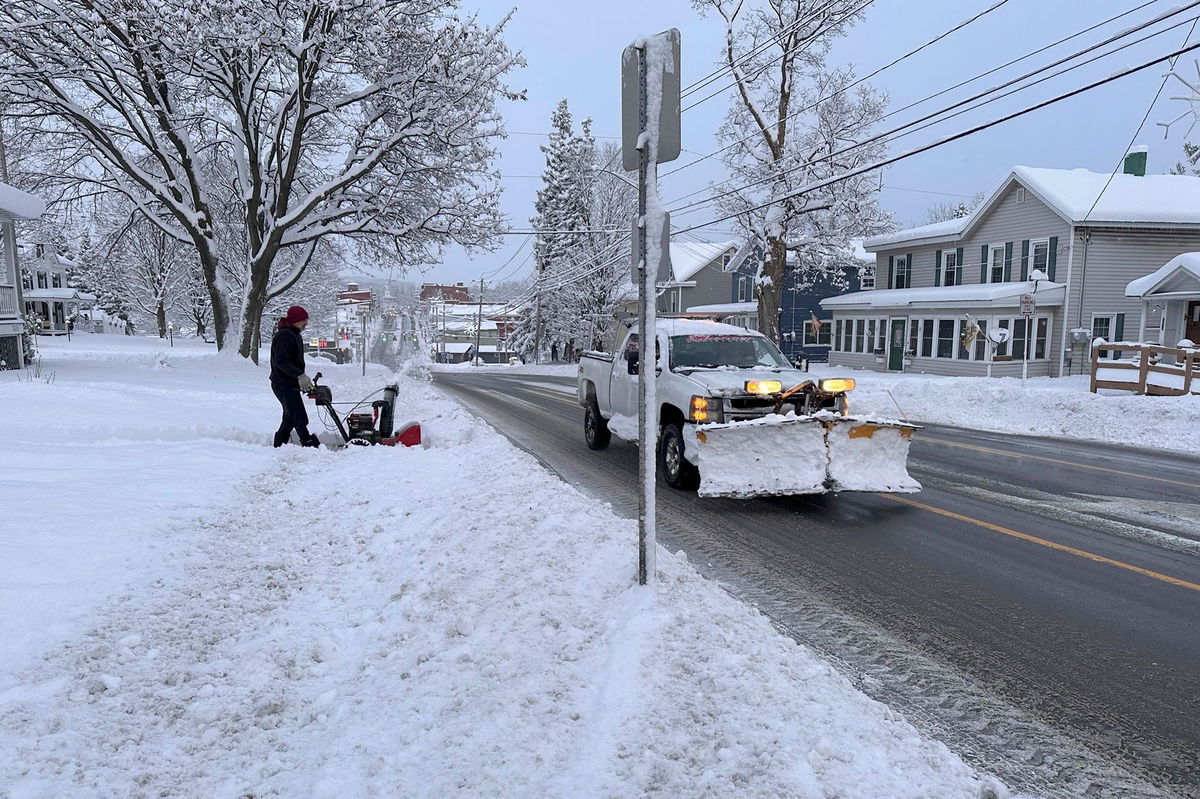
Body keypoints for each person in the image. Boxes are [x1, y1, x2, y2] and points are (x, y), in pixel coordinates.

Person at [270, 305, 320, 447]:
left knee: (290, 415)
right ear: (297, 320)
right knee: (297, 414)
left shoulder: (294, 333)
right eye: (304, 320)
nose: (306, 323)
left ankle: (280, 444)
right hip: (282, 383)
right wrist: (299, 375)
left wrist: (300, 377)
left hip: (289, 382)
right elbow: (280, 361)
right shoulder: (285, 335)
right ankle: (307, 441)